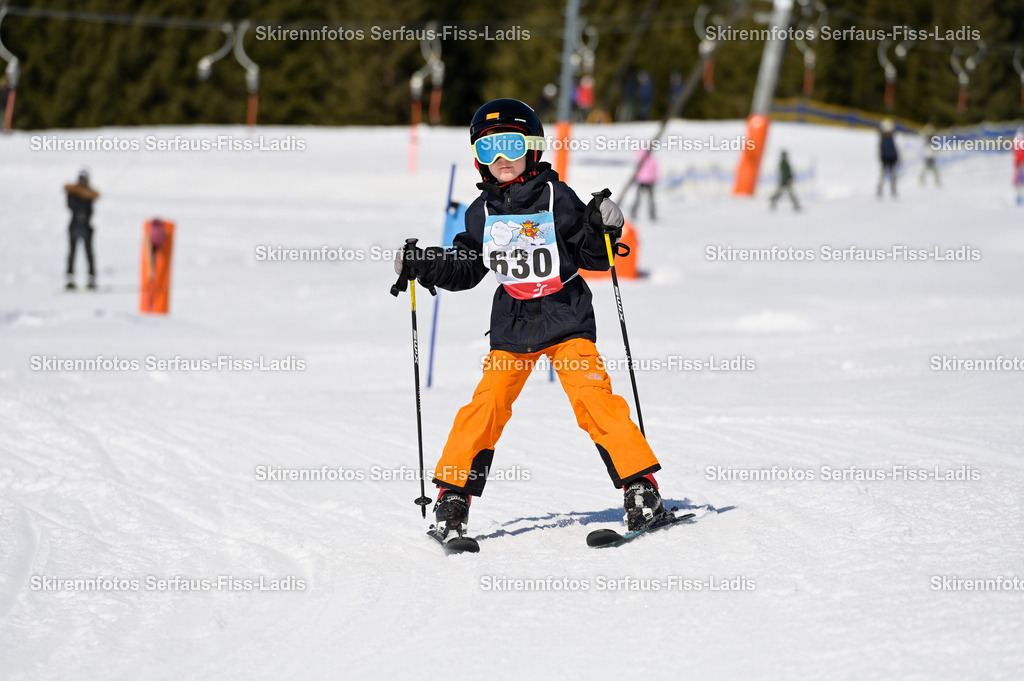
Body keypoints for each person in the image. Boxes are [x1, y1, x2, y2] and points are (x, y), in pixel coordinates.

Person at [394, 98, 665, 541]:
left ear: (533, 148)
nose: (500, 159)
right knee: (487, 405)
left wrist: (604, 228)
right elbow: (467, 265)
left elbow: (593, 255)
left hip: (565, 315)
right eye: (487, 149)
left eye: (510, 145)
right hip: (514, 323)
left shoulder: (558, 197)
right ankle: (452, 497)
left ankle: (641, 488)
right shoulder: (480, 212)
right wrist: (428, 264)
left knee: (593, 399)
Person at [64, 168, 100, 290]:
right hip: (74, 225)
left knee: (89, 253)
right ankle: (70, 278)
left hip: (86, 226)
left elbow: (90, 209)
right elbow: (70, 205)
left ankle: (91, 278)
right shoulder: (72, 192)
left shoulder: (89, 194)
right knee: (72, 252)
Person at [631, 149, 659, 220]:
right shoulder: (651, 159)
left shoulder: (640, 160)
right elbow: (655, 169)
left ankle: (634, 213)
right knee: (649, 199)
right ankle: (652, 215)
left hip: (642, 181)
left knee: (639, 199)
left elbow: (636, 171)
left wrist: (636, 178)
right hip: (648, 181)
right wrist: (654, 179)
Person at [877, 118, 899, 198]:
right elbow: (884, 149)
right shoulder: (884, 137)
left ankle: (893, 190)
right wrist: (883, 157)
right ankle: (880, 190)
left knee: (892, 175)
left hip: (891, 159)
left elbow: (893, 148)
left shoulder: (890, 137)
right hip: (886, 159)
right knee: (883, 175)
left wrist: (896, 156)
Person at [1013, 127, 1024, 206]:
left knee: (1019, 179)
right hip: (1020, 161)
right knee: (1020, 179)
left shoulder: (1016, 139)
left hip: (1019, 161)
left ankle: (1019, 196)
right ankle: (1019, 196)